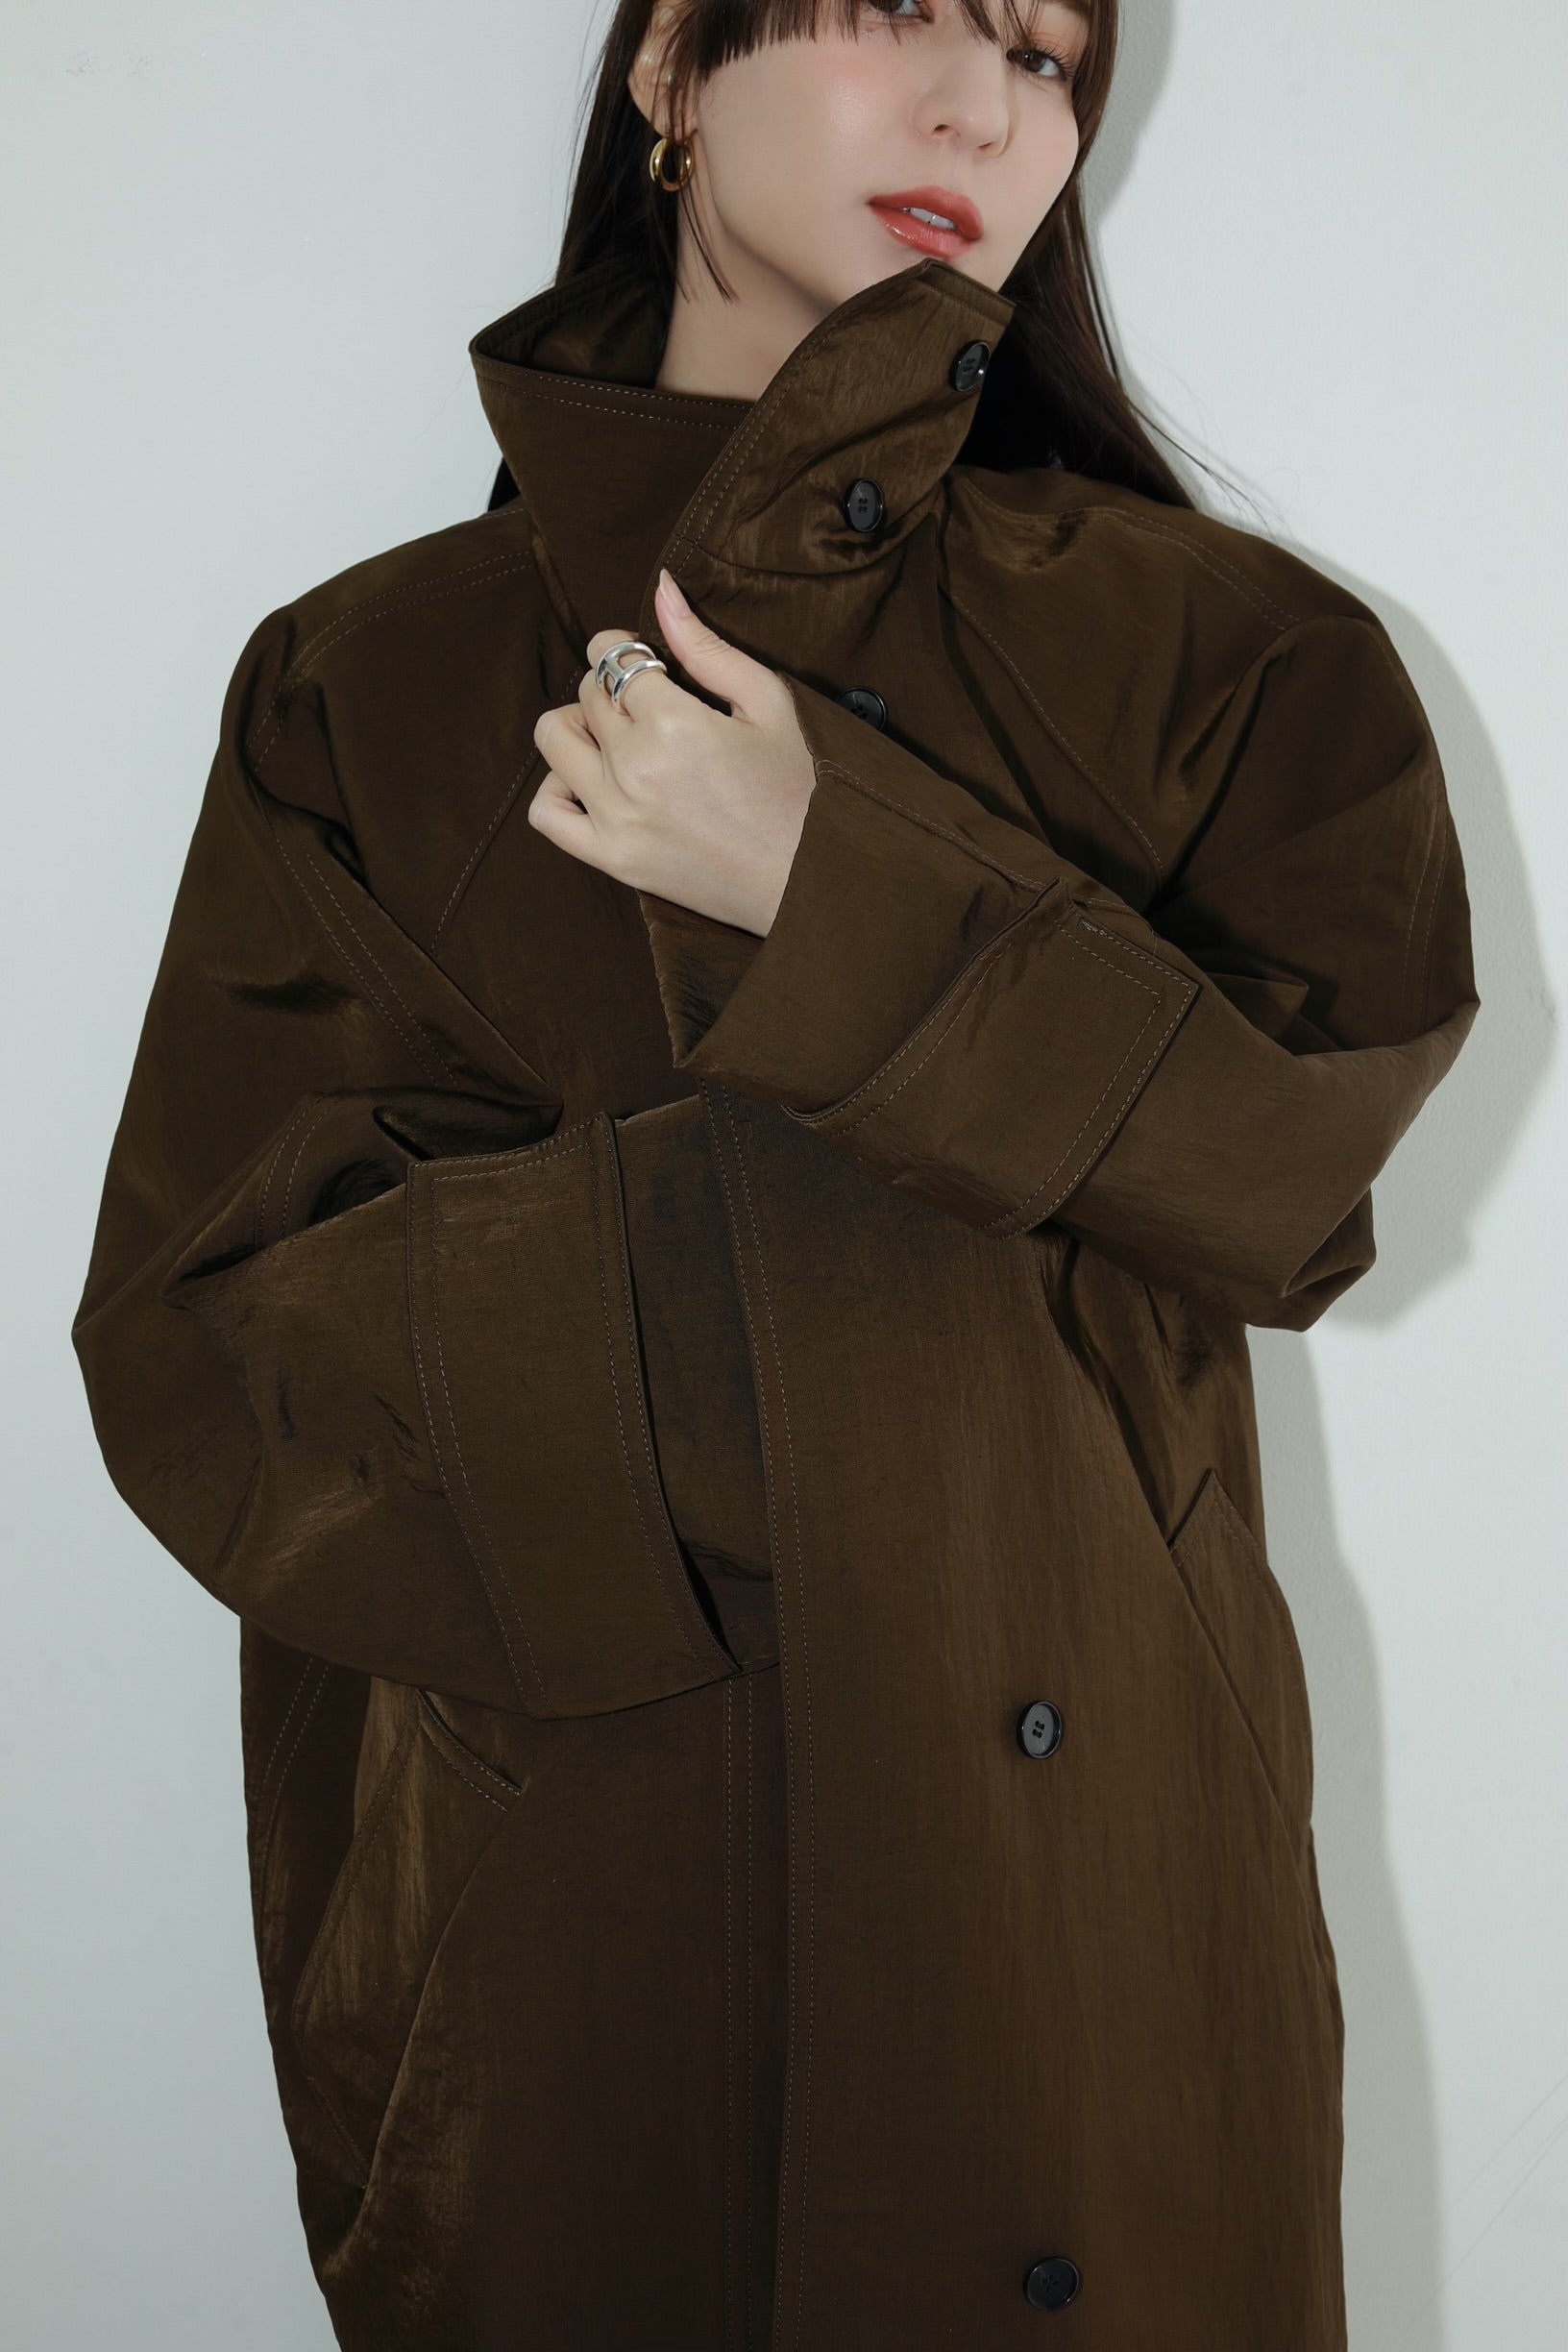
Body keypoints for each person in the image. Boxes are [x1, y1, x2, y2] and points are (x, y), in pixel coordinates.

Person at [71, 2, 1479, 2346]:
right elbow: (209, 1347)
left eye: (1047, 53)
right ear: (667, 74)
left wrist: (837, 890)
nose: (982, 108)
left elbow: (1290, 1177)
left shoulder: (1229, 662)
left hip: (1090, 1961)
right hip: (578, 1974)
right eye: (905, 8)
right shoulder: (367, 687)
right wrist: (775, 1347)